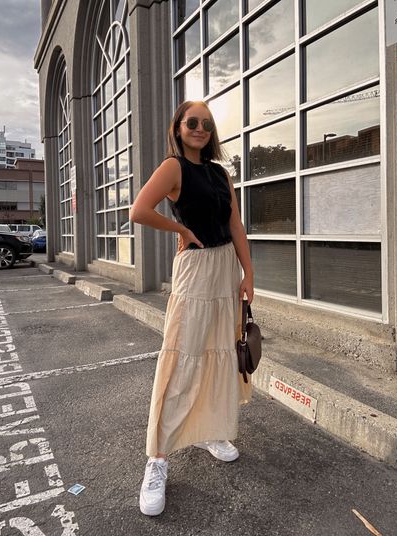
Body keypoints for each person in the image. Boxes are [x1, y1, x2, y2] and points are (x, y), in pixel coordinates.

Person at [130, 100, 254, 516]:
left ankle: (209, 429)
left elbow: (235, 223)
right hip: (195, 267)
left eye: (206, 123)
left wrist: (248, 273)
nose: (200, 128)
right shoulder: (173, 167)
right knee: (182, 357)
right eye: (192, 122)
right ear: (179, 128)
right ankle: (158, 458)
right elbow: (139, 211)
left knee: (217, 353)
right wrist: (181, 227)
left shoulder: (221, 173)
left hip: (224, 269)